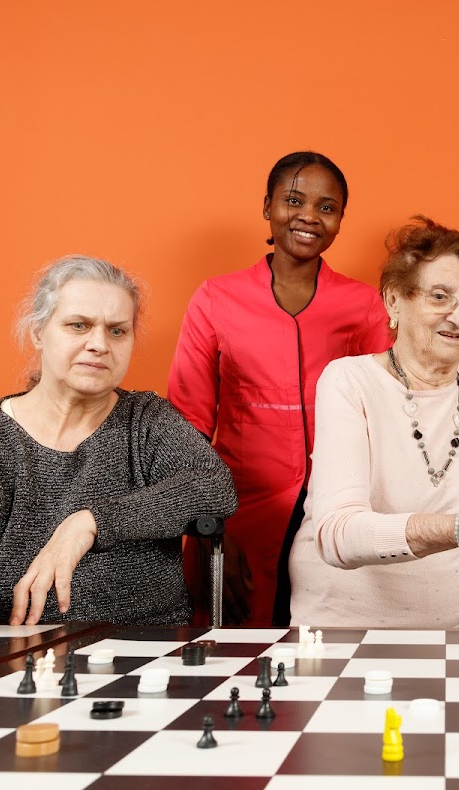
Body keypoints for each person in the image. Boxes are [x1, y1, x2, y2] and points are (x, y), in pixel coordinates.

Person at [0, 256, 238, 625]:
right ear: (38, 332)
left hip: (145, 655)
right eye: (78, 325)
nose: (99, 344)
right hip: (0, 663)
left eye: (117, 331)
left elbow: (216, 487)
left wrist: (92, 522)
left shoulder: (147, 421)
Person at [288, 216, 459, 630]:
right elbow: (337, 533)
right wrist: (457, 529)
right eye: (440, 297)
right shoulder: (348, 381)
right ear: (394, 301)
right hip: (345, 630)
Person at [168, 152, 389, 627]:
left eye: (327, 207)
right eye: (293, 200)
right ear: (267, 206)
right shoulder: (215, 299)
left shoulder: (364, 305)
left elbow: (386, 417)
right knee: (232, 670)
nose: (309, 216)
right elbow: (185, 429)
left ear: (340, 221)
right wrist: (210, 535)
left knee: (326, 666)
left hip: (337, 515)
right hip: (238, 516)